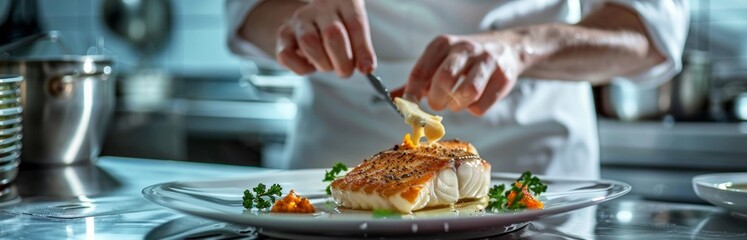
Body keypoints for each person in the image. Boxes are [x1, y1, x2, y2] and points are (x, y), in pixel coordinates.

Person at [226, 0, 688, 179]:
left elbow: (648, 33)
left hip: (535, 172)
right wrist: (302, 21)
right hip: (334, 166)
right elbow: (246, 11)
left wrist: (522, 47)